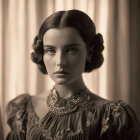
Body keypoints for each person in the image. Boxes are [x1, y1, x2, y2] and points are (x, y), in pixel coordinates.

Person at [6, 9, 140, 140]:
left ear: (90, 52)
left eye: (71, 50)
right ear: (42, 53)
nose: (60, 62)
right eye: (51, 50)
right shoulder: (22, 110)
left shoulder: (111, 117)